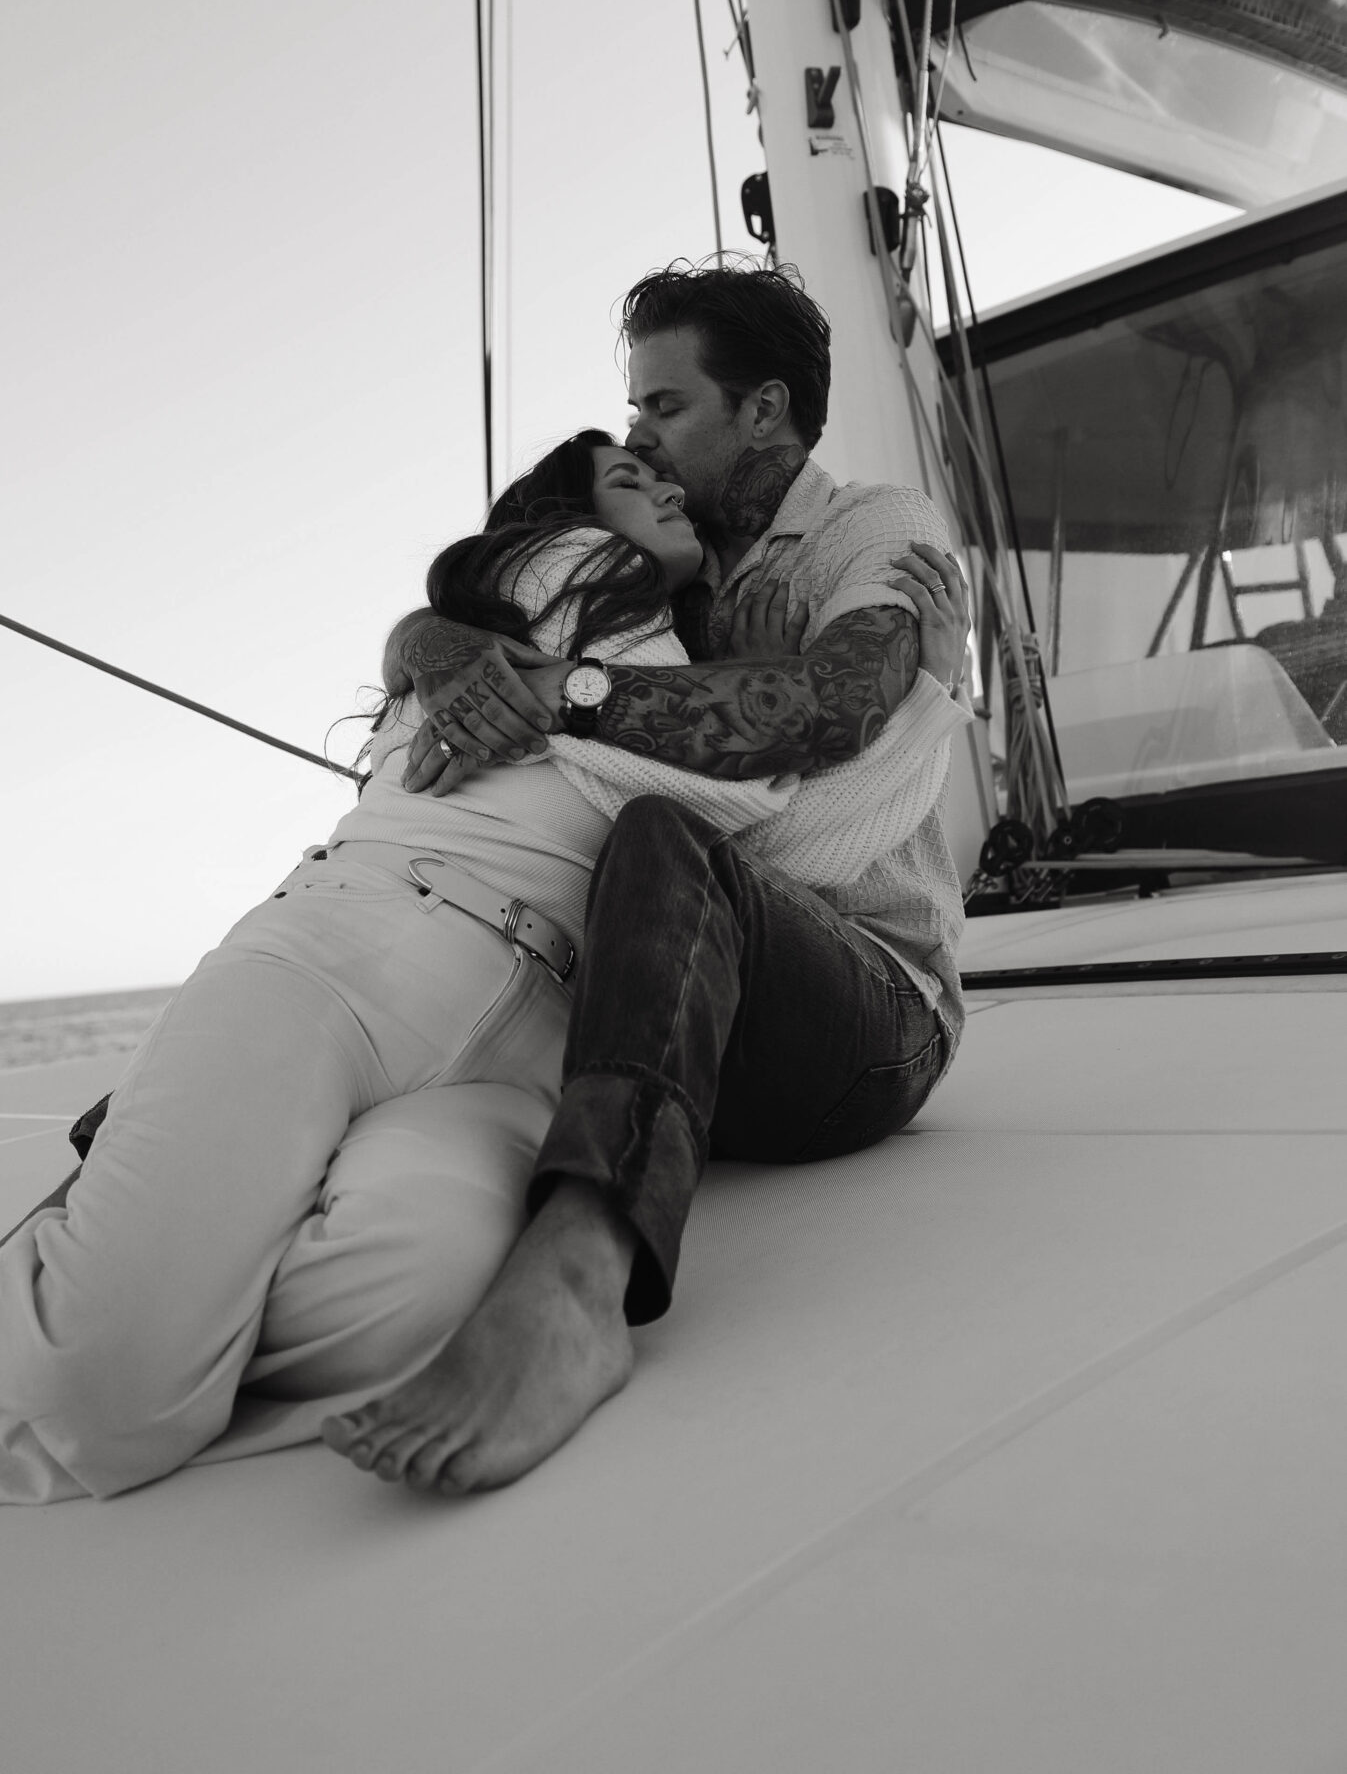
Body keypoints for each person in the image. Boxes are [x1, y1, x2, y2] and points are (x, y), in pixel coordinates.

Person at [0, 401, 967, 1505]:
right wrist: (908, 694)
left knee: (422, 1287)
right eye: (629, 470)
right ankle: (11, 1309)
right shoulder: (566, 578)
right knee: (81, 1392)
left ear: (765, 405)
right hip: (364, 947)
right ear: (562, 516)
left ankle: (112, 1284)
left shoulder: (665, 633)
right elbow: (752, 787)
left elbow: (725, 808)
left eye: (663, 438)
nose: (659, 472)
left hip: (518, 1042)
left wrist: (766, 670)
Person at [323, 261, 972, 1494]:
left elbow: (818, 734)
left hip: (874, 1009)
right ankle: (76, 1235)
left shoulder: (880, 538)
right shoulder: (646, 572)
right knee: (424, 915)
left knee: (667, 834)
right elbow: (475, 598)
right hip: (680, 995)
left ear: (765, 409)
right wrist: (430, 642)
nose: (637, 437)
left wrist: (560, 701)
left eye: (665, 408)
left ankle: (578, 1278)